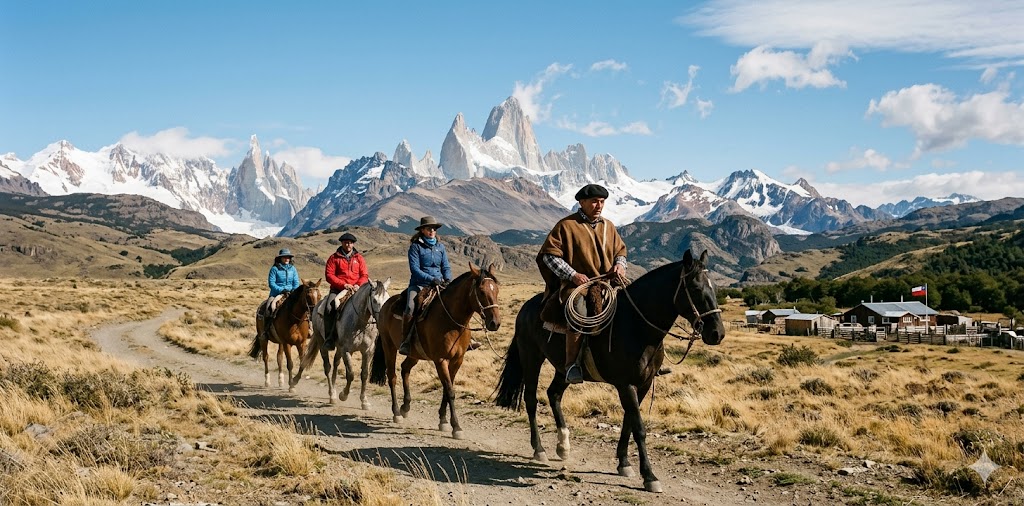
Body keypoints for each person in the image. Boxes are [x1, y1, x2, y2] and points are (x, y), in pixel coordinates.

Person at [538, 184, 627, 384]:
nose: (599, 206)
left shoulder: (608, 226)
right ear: (582, 202)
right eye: (594, 201)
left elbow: (621, 252)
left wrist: (619, 266)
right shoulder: (567, 226)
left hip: (606, 283)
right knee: (578, 311)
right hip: (578, 285)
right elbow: (550, 257)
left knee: (633, 305)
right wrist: (573, 275)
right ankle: (572, 365)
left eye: (602, 202)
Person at [398, 216, 452, 355]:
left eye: (434, 228)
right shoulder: (415, 247)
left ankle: (465, 339)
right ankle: (406, 341)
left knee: (456, 303)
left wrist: (447, 279)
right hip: (419, 284)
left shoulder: (440, 247)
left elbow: (445, 266)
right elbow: (415, 269)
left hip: (439, 283)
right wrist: (431, 279)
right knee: (410, 306)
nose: (432, 231)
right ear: (422, 230)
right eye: (429, 228)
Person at [322, 232, 369, 348]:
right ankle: (330, 338)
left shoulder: (359, 258)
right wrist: (344, 285)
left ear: (353, 244)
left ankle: (373, 334)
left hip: (357, 289)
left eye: (351, 243)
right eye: (346, 242)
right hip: (338, 290)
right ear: (342, 243)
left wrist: (358, 284)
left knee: (371, 304)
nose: (348, 244)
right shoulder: (334, 258)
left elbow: (364, 275)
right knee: (329, 307)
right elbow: (329, 275)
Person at [264, 248, 301, 328]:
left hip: (291, 293)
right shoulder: (274, 269)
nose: (286, 259)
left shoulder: (293, 269)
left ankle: (309, 328)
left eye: (288, 257)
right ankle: (266, 330)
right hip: (276, 294)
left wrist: (293, 290)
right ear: (280, 258)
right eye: (284, 257)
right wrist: (282, 290)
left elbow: (296, 282)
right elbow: (272, 283)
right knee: (269, 308)